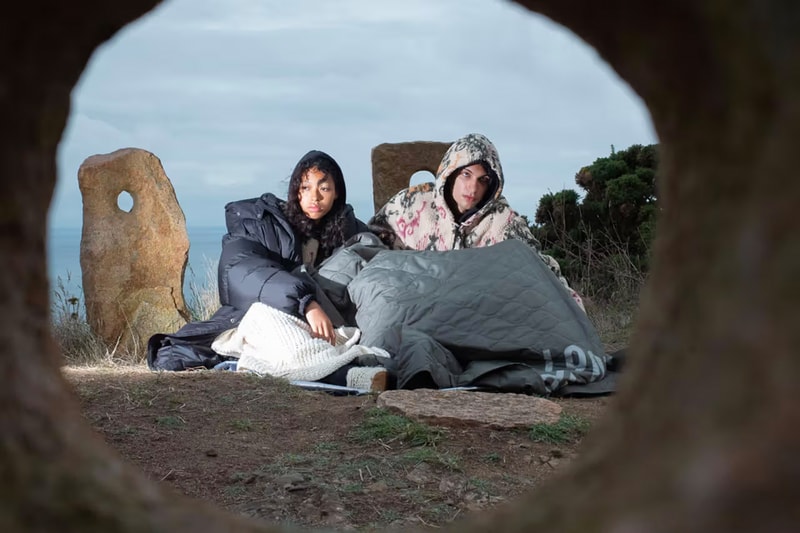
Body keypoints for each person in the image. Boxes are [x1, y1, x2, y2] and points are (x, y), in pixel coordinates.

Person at [147, 150, 389, 391]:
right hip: (260, 317)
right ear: (295, 190)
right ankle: (347, 377)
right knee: (268, 320)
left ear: (337, 193)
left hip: (326, 327)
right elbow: (241, 270)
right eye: (306, 187)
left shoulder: (351, 233)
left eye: (324, 188)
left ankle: (357, 366)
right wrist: (306, 302)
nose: (314, 197)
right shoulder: (261, 223)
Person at [369, 132, 585, 310]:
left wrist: (574, 311)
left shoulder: (503, 221)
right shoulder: (411, 203)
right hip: (413, 307)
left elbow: (539, 269)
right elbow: (368, 245)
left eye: (483, 180)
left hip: (476, 318)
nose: (473, 188)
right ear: (451, 172)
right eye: (466, 174)